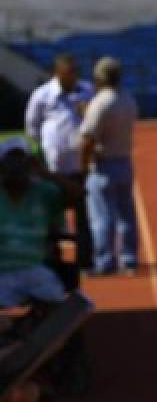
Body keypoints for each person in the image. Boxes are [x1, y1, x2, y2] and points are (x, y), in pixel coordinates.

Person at [24, 54, 94, 271]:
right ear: (57, 74)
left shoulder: (87, 91)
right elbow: (32, 128)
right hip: (52, 170)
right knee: (53, 217)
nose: (73, 78)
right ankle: (54, 259)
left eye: (75, 73)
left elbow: (95, 122)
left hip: (78, 166)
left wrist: (87, 111)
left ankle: (85, 260)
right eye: (68, 75)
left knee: (83, 216)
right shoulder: (42, 95)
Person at [79, 57, 139, 276]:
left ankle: (104, 261)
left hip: (104, 164)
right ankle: (129, 257)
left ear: (99, 78)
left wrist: (83, 166)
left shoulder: (99, 102)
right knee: (126, 213)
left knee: (102, 216)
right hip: (124, 160)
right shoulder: (128, 99)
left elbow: (88, 137)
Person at [0, 138, 67, 307]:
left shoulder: (45, 192)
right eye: (11, 161)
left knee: (65, 308)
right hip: (2, 272)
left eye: (21, 160)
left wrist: (43, 173)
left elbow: (78, 193)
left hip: (34, 270)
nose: (16, 166)